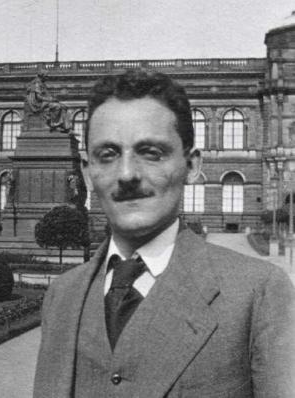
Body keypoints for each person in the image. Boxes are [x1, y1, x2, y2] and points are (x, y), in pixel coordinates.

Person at [33, 70, 295, 398]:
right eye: (108, 155)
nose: (127, 174)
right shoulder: (61, 296)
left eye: (151, 152)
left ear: (192, 165)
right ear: (88, 172)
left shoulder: (260, 293)